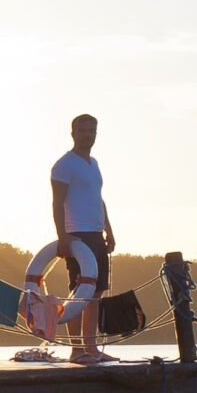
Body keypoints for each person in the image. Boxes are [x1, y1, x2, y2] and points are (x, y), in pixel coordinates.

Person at [51, 113, 118, 364]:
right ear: (73, 133)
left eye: (92, 131)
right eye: (83, 130)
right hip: (77, 234)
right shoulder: (64, 165)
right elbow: (57, 203)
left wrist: (109, 230)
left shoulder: (94, 164)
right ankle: (76, 349)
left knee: (96, 292)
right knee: (80, 292)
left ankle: (91, 347)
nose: (87, 135)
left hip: (96, 233)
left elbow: (98, 199)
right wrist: (63, 236)